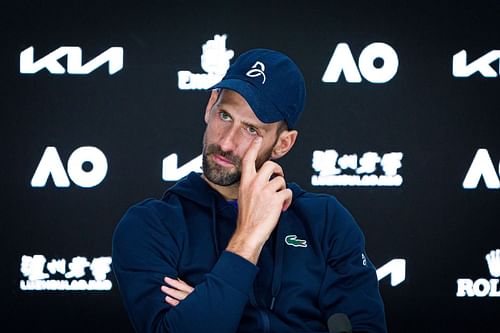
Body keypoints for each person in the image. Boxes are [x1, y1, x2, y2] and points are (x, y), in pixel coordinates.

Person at [112, 48, 387, 333]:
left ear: (283, 144)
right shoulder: (151, 225)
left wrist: (216, 310)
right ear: (209, 106)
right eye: (225, 115)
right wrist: (248, 237)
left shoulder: (326, 222)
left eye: (251, 130)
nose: (227, 143)